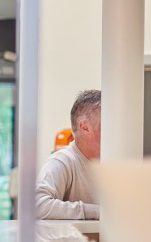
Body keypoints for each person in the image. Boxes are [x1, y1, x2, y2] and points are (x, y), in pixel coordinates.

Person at [35, 89, 101, 220]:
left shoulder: (114, 161)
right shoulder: (62, 161)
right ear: (85, 127)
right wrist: (98, 212)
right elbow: (38, 206)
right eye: (107, 123)